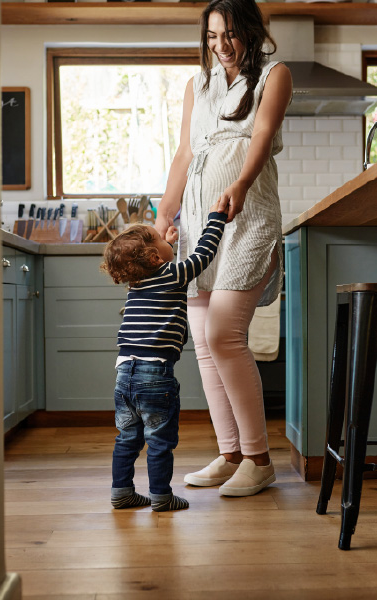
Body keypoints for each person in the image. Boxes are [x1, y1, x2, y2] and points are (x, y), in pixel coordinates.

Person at [154, 0, 293, 497]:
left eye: (230, 34)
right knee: (204, 345)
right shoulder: (199, 84)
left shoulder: (274, 75)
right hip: (196, 224)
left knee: (223, 334)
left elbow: (260, 136)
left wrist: (240, 183)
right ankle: (230, 452)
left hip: (246, 217)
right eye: (212, 36)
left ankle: (259, 459)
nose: (220, 45)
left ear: (251, 33)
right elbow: (185, 153)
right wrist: (163, 215)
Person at [101, 203, 227, 512]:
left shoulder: (137, 283)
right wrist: (217, 220)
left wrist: (166, 243)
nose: (166, 242)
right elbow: (203, 255)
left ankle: (122, 492)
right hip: (155, 374)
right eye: (160, 241)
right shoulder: (172, 273)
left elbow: (160, 257)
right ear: (157, 258)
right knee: (159, 440)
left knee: (127, 437)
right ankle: (161, 496)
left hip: (123, 374)